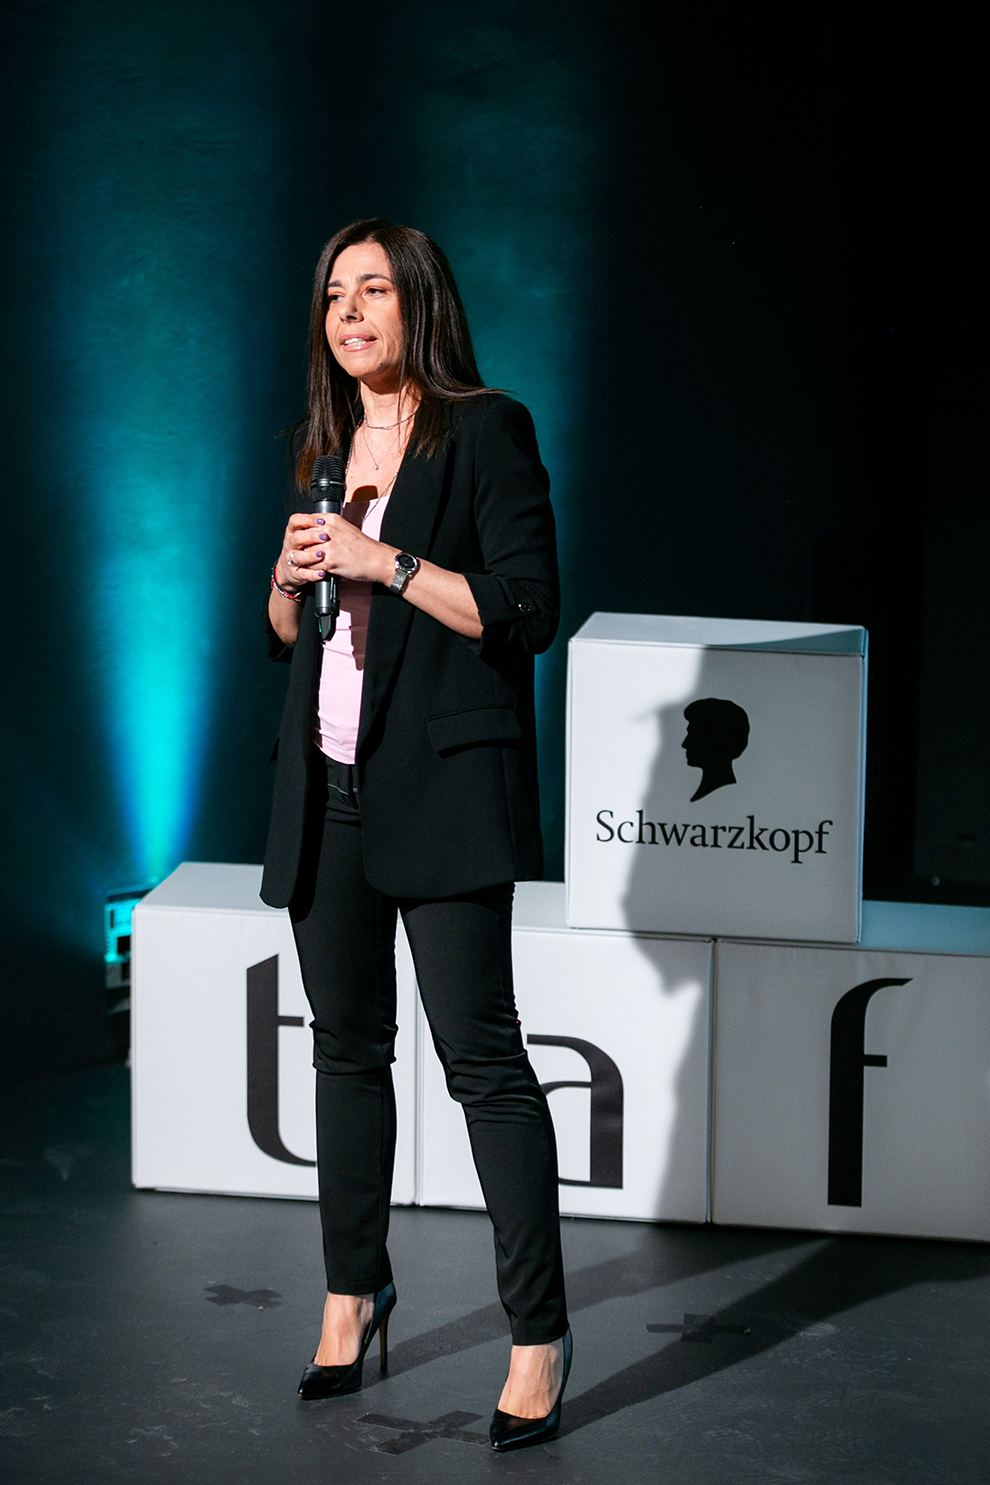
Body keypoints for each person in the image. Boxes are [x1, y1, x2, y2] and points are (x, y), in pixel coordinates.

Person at [261, 219, 571, 1452]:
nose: (349, 312)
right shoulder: (323, 448)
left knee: (483, 1063)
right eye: (335, 294)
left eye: (374, 290)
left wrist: (383, 561)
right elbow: (289, 641)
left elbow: (526, 609)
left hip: (442, 791)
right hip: (327, 790)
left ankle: (538, 1334)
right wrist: (288, 583)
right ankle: (353, 1293)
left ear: (420, 305)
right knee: (346, 1053)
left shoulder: (486, 430)